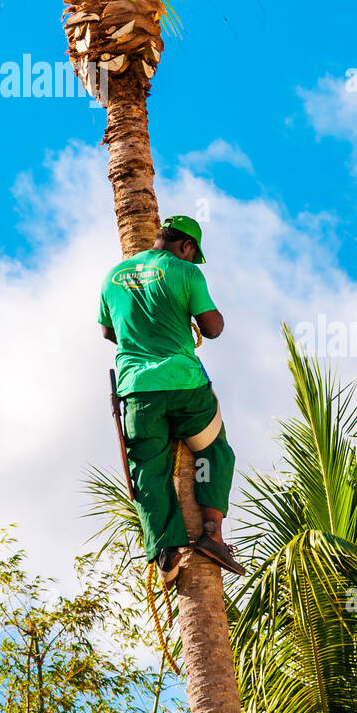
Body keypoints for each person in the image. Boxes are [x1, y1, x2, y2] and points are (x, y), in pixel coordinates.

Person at [98, 214, 245, 584]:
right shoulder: (187, 272)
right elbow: (212, 329)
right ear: (187, 246)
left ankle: (166, 549)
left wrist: (142, 341)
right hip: (184, 386)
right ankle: (211, 533)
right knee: (214, 449)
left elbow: (107, 331)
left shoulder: (112, 276)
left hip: (136, 391)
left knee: (149, 472)